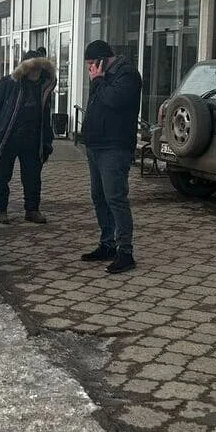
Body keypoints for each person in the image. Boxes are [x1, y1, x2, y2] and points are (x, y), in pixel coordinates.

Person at [79, 39, 143, 274]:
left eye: (91, 65)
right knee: (99, 196)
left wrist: (97, 81)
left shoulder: (127, 75)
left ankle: (125, 251)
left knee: (115, 197)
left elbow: (114, 101)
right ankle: (107, 243)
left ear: (102, 61)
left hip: (114, 147)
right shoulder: (103, 78)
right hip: (95, 145)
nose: (89, 70)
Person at [0, 48, 55, 225]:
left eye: (39, 69)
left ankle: (32, 210)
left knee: (32, 177)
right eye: (32, 69)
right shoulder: (9, 83)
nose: (35, 73)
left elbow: (45, 116)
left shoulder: (44, 86)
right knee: (0, 176)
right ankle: (0, 210)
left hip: (33, 139)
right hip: (7, 137)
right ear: (25, 69)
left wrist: (47, 141)